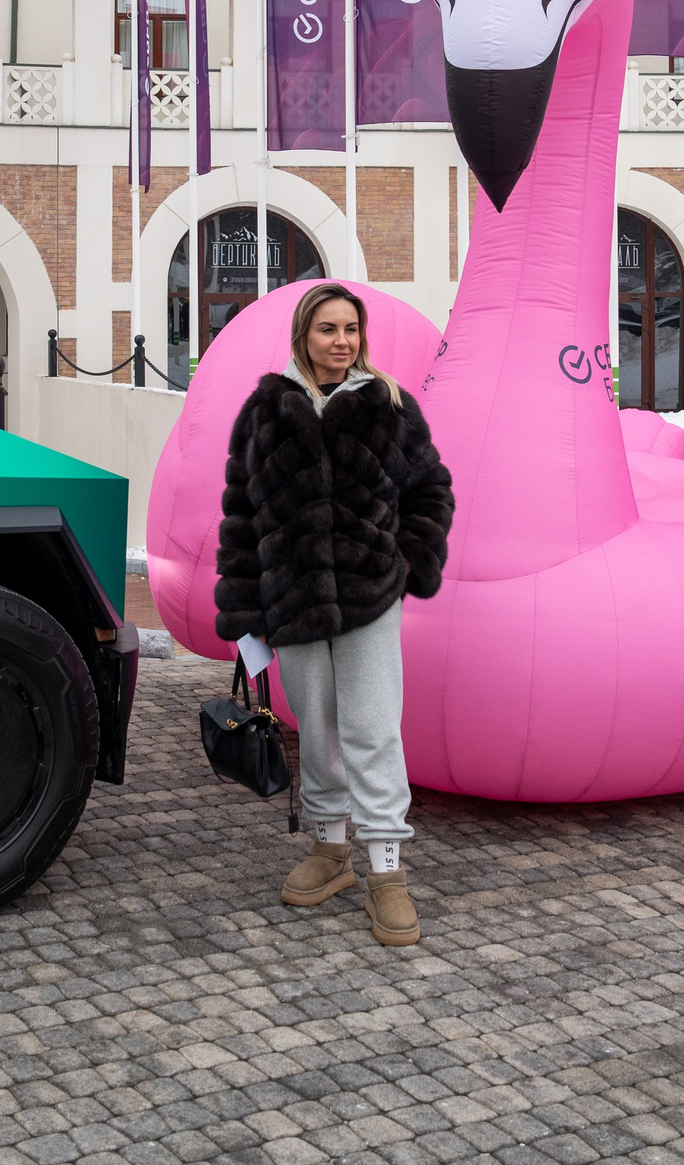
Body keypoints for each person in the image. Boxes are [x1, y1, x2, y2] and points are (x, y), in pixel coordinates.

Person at [213, 283, 454, 946]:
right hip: (291, 601)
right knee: (315, 730)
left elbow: (430, 487)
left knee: (373, 731)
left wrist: (406, 562)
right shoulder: (265, 412)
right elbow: (241, 514)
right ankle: (329, 851)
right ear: (304, 335)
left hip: (367, 599)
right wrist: (242, 605)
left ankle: (387, 871)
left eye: (351, 329)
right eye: (328, 329)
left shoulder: (388, 407)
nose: (341, 341)